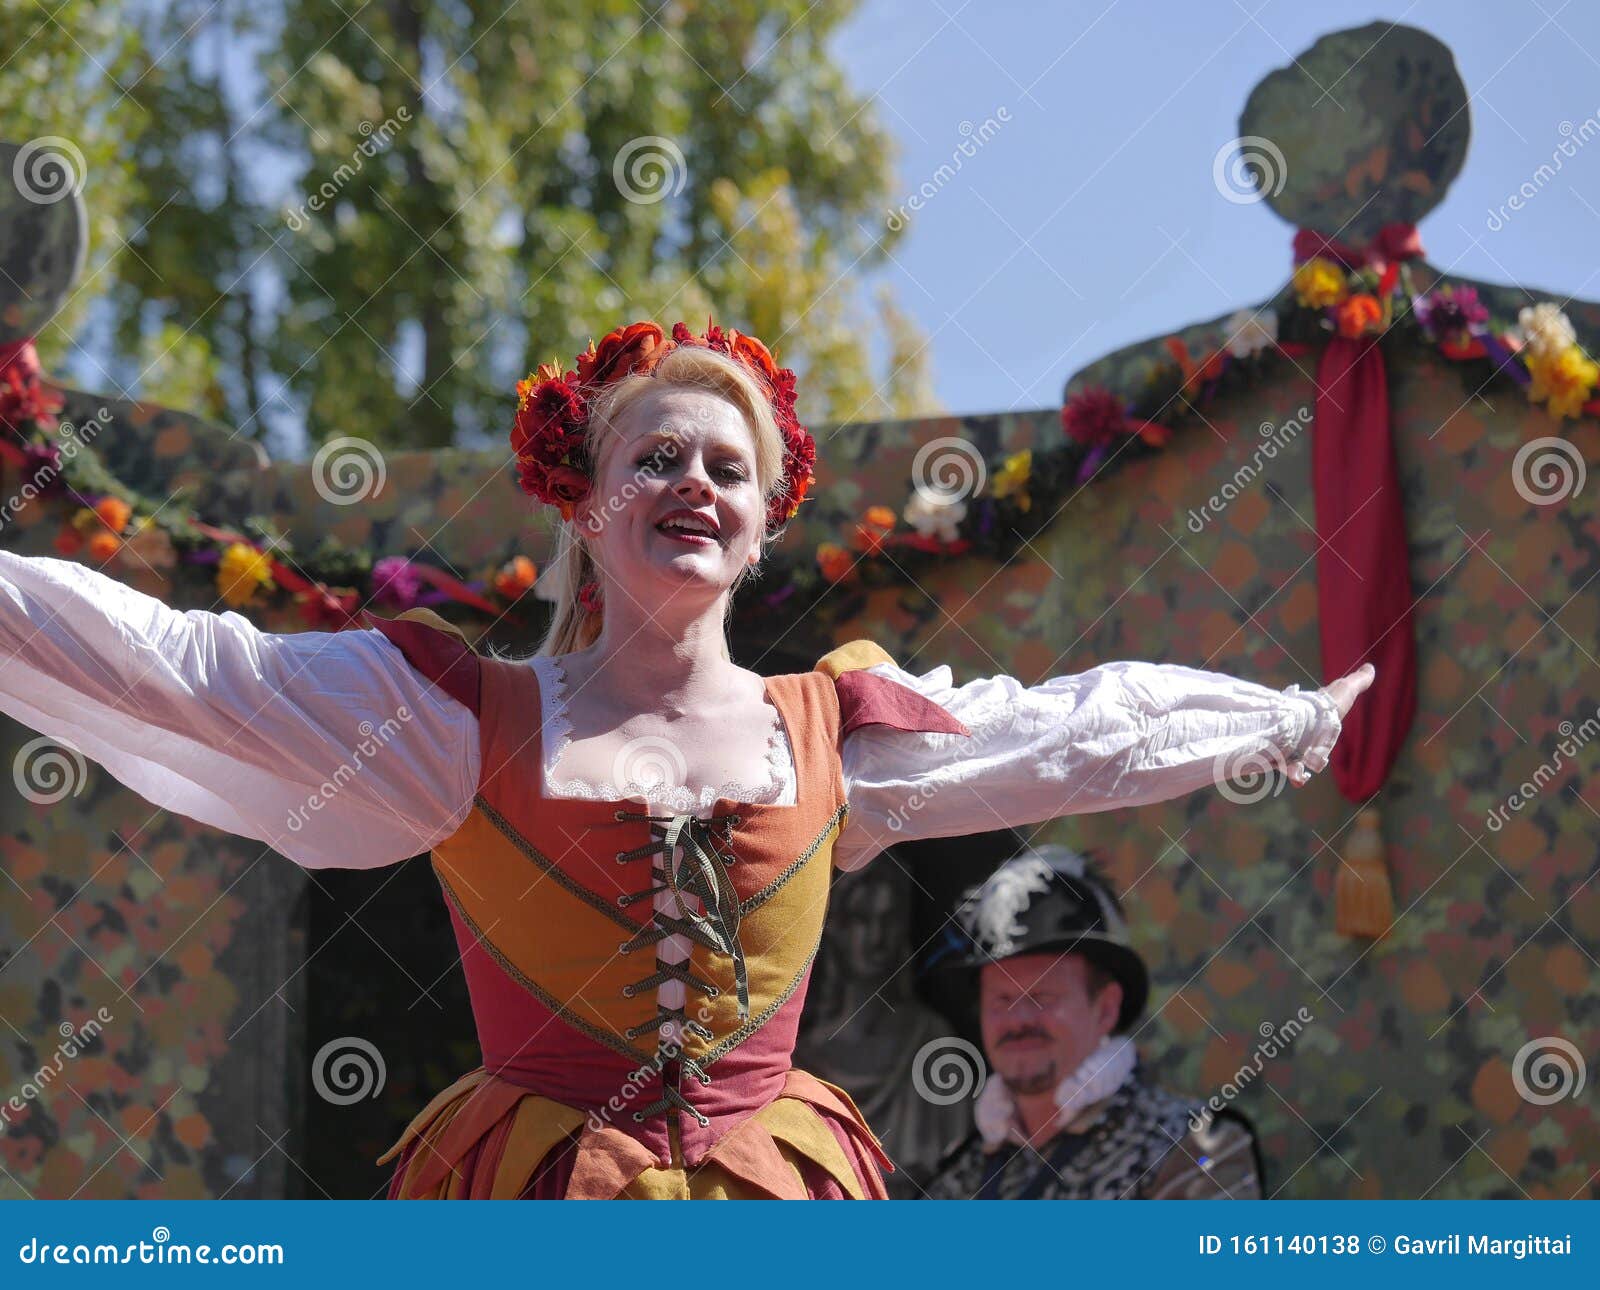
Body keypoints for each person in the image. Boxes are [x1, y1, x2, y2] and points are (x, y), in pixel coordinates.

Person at [0, 319, 1374, 1199]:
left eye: (727, 465)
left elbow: (1081, 729)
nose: (694, 485)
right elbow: (175, 664)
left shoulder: (844, 736)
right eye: (656, 457)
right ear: (586, 505)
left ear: (765, 524)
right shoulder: (449, 721)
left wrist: (1289, 719)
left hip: (774, 1197)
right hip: (539, 1198)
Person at [924, 845, 1263, 1199]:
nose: (1018, 1019)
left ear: (1105, 1009)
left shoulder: (1193, 1150)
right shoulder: (957, 1176)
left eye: (1042, 997)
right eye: (1001, 1000)